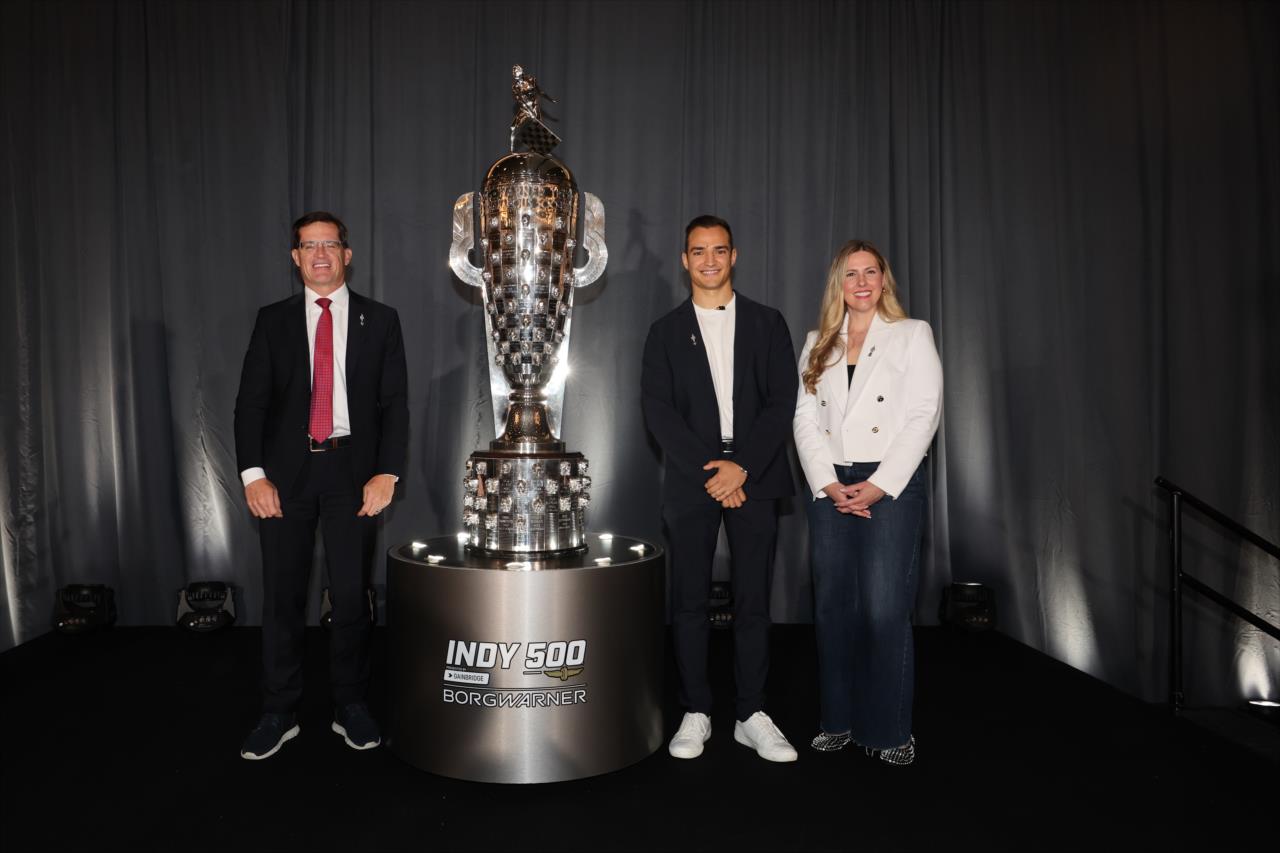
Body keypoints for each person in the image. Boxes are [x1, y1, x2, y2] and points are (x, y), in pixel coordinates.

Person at [234, 211, 408, 760]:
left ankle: (350, 704)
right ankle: (278, 710)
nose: (320, 254)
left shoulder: (381, 320)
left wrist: (387, 472)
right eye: (309, 246)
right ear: (296, 258)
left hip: (353, 476)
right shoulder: (273, 320)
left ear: (347, 254)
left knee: (352, 597)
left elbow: (394, 405)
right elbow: (251, 404)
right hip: (285, 478)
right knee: (283, 596)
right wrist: (254, 475)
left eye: (329, 244)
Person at [641, 215, 799, 763]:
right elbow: (658, 412)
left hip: (757, 473)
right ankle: (697, 711)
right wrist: (715, 474)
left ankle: (751, 713)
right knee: (688, 600)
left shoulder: (768, 322)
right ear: (684, 260)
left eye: (719, 250)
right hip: (694, 479)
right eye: (698, 251)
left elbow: (782, 401)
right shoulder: (665, 332)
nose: (709, 260)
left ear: (734, 256)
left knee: (754, 601)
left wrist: (742, 468)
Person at [792, 240, 942, 765]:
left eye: (870, 272)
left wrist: (880, 483)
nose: (861, 282)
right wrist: (826, 482)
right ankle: (837, 720)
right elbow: (804, 419)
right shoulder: (818, 341)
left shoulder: (911, 333)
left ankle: (890, 731)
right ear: (838, 283)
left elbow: (924, 413)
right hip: (831, 484)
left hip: (891, 482)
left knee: (883, 609)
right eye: (851, 274)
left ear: (883, 280)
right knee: (833, 607)